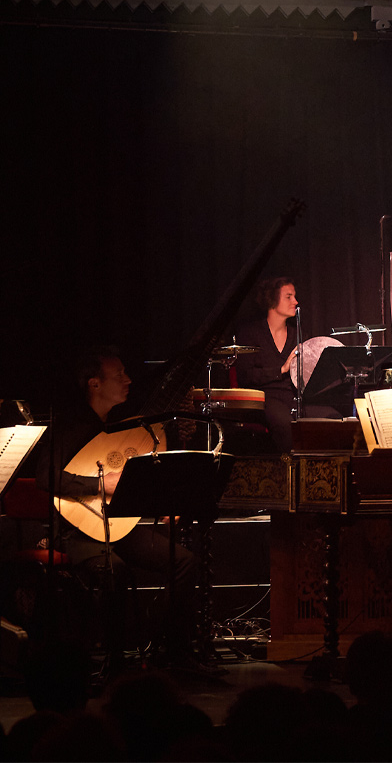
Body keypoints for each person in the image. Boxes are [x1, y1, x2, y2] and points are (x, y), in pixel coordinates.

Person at [35, 348, 216, 675]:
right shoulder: (69, 425)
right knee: (114, 571)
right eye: (118, 375)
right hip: (75, 531)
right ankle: (115, 661)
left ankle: (167, 647)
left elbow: (135, 481)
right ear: (94, 384)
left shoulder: (120, 425)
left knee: (185, 561)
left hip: (119, 525)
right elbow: (46, 476)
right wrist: (98, 485)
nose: (128, 380)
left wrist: (160, 505)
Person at [234, 277, 340, 452]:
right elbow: (245, 376)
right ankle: (291, 472)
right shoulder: (250, 333)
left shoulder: (298, 334)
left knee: (332, 417)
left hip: (294, 396)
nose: (296, 302)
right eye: (289, 296)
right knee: (285, 424)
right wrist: (281, 369)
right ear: (272, 299)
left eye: (295, 296)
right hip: (266, 398)